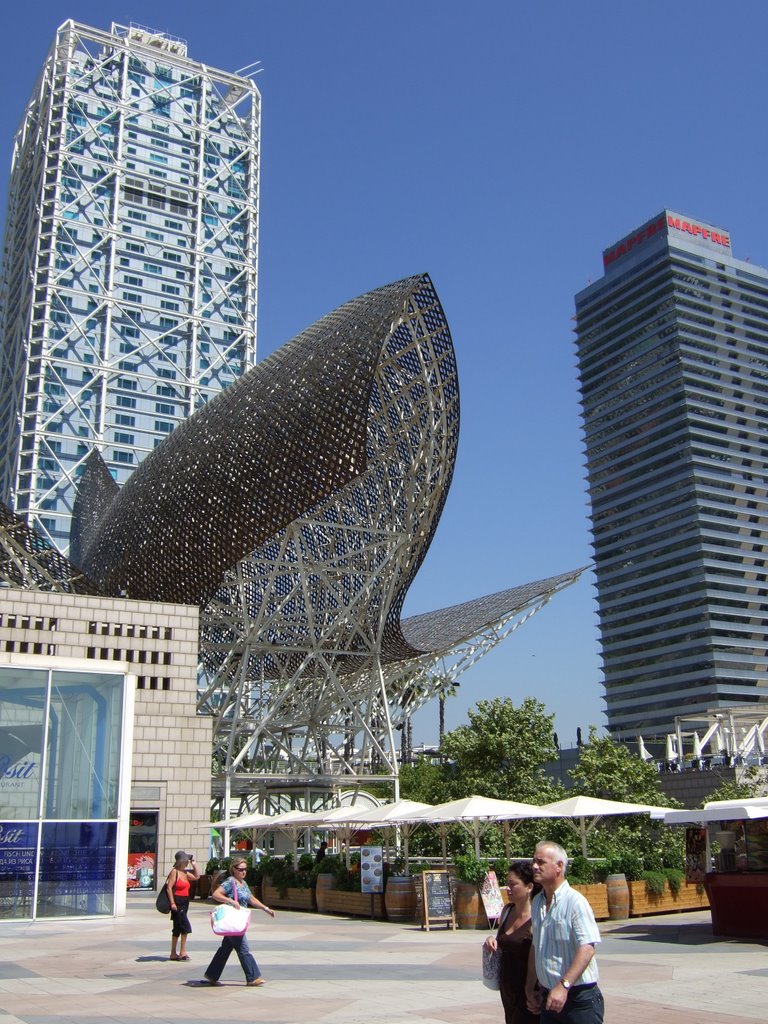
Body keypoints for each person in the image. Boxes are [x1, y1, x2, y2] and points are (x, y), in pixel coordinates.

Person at [525, 842, 604, 1024]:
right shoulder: (537, 902)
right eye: (534, 861)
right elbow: (536, 946)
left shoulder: (575, 902)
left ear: (559, 866)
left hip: (578, 1000)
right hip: (549, 996)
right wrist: (531, 986)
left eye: (541, 862)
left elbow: (587, 948)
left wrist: (564, 985)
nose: (534, 866)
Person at [202, 858, 275, 987]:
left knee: (225, 949)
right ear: (234, 870)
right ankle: (253, 977)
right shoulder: (230, 882)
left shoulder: (243, 883)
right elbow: (216, 894)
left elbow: (251, 898)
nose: (244, 872)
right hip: (233, 921)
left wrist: (266, 908)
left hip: (237, 921)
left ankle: (212, 975)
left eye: (245, 869)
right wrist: (230, 901)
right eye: (241, 869)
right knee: (243, 949)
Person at [483, 861, 541, 1024]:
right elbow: (503, 940)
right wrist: (491, 940)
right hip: (507, 987)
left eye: (513, 884)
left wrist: (531, 989)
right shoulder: (507, 911)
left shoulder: (537, 918)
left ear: (529, 887)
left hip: (529, 990)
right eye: (507, 884)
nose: (507, 888)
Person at [166, 851, 200, 961]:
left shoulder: (185, 873)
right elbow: (169, 888)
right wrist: (172, 903)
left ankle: (174, 953)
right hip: (177, 901)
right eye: (186, 861)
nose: (187, 863)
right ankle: (182, 952)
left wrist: (194, 865)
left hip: (185, 901)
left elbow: (197, 876)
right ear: (181, 861)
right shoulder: (174, 872)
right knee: (184, 926)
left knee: (177, 927)